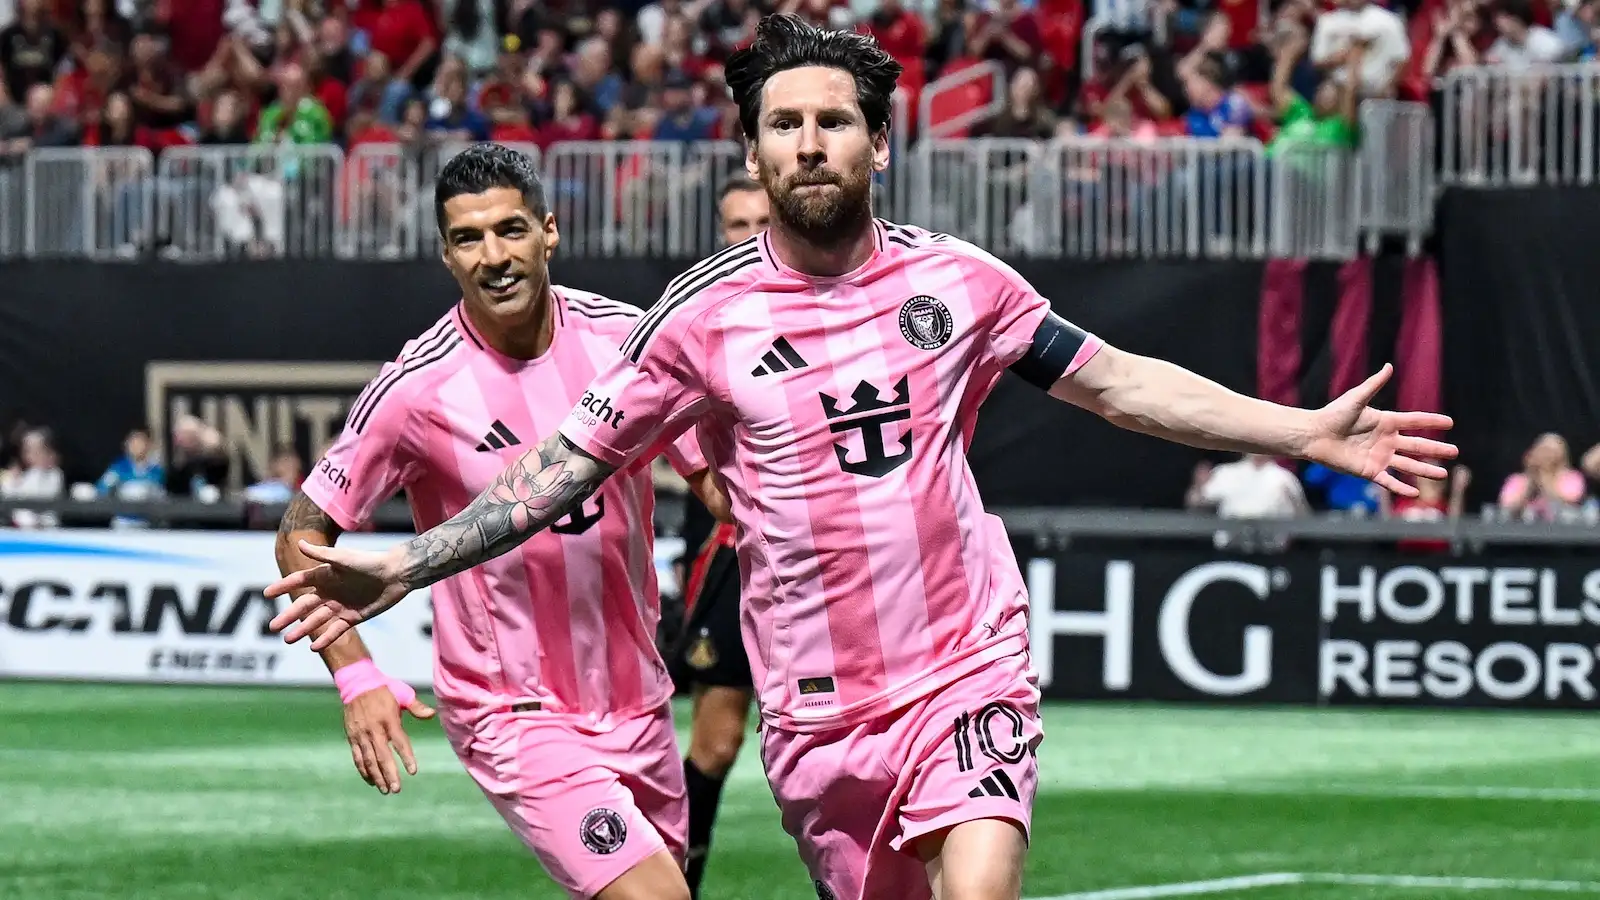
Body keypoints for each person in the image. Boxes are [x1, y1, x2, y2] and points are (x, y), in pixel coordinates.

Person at [267, 16, 1458, 900]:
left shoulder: (960, 283)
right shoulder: (694, 321)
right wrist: (409, 564)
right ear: (753, 153)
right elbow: (561, 467)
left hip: (961, 665)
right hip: (819, 719)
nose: (809, 143)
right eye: (783, 126)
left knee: (979, 884)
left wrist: (1298, 428)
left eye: (833, 121)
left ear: (878, 145)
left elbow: (1119, 384)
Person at [274, 143, 728, 900]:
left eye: (510, 230)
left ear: (549, 231)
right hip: (512, 709)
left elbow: (714, 482)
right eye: (468, 239)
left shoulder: (626, 343)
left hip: (639, 698)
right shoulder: (417, 388)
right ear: (445, 254)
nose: (493, 257)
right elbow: (300, 532)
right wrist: (356, 675)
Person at [672, 176, 769, 900]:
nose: (750, 236)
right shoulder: (697, 319)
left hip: (829, 549)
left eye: (763, 220)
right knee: (717, 741)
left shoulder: (837, 299)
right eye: (738, 224)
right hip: (728, 547)